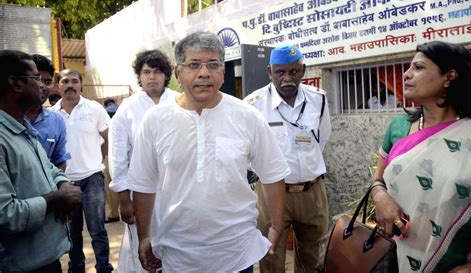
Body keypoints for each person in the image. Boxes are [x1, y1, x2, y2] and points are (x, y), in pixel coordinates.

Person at [127, 31, 290, 272]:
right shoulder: (155, 120)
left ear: (223, 72)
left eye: (213, 64)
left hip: (236, 253)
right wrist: (143, 236)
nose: (204, 73)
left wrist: (276, 226)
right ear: (179, 72)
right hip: (178, 253)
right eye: (194, 64)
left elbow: (273, 173)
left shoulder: (247, 117)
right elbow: (143, 184)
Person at [371, 41, 471, 272]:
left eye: (417, 68)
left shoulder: (470, 134)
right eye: (408, 68)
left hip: (453, 261)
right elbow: (378, 179)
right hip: (394, 255)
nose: (406, 75)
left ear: (449, 76)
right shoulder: (399, 126)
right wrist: (380, 197)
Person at [245, 43, 332, 272]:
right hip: (272, 193)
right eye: (280, 72)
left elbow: (321, 140)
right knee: (271, 256)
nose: (287, 78)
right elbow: (249, 153)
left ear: (303, 71)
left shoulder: (319, 100)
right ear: (269, 72)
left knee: (314, 258)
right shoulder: (254, 105)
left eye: (294, 71)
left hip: (312, 192)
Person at [0, 50, 82, 272]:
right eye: (36, 78)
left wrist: (64, 184)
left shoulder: (23, 127)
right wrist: (57, 198)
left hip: (46, 259)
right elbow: (5, 214)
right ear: (15, 84)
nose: (44, 86)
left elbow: (50, 168)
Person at [108, 49, 178, 273]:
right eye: (146, 72)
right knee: (143, 246)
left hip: (176, 188)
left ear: (166, 75)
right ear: (139, 76)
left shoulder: (178, 102)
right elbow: (118, 155)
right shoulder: (127, 109)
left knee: (176, 242)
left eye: (157, 72)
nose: (152, 77)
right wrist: (123, 198)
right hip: (140, 190)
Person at [51, 69, 113, 273]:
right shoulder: (51, 115)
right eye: (65, 81)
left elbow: (107, 137)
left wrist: (96, 159)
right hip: (65, 182)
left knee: (97, 229)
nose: (70, 84)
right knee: (72, 231)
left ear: (81, 85)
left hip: (92, 178)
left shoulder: (94, 109)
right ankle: (76, 267)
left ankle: (103, 267)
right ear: (58, 86)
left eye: (74, 81)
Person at [25, 54, 70, 171]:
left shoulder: (57, 121)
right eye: (38, 79)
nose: (42, 86)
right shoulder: (9, 118)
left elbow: (60, 161)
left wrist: (58, 185)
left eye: (48, 81)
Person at [102, 98, 121, 224]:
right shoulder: (122, 110)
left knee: (110, 187)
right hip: (126, 153)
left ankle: (113, 214)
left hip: (109, 155)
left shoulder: (104, 113)